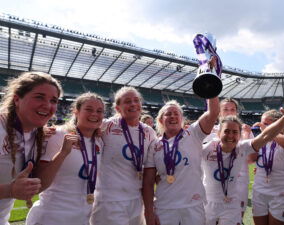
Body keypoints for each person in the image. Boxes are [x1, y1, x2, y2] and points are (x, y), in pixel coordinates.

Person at [203, 94, 284, 225]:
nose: (230, 135)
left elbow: (264, 138)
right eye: (226, 131)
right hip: (208, 199)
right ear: (218, 133)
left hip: (235, 198)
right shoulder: (205, 145)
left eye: (235, 132)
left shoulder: (242, 146)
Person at [25, 93, 105, 225]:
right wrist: (63, 153)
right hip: (51, 218)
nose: (94, 114)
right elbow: (39, 183)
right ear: (76, 112)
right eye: (89, 109)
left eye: (99, 111)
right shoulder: (57, 134)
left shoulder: (98, 142)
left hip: (82, 219)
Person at [142, 97, 219, 225]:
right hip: (165, 207)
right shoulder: (154, 145)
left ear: (182, 119)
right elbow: (148, 182)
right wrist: (149, 212)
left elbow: (213, 112)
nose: (173, 116)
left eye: (176, 114)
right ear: (161, 120)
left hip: (193, 205)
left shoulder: (193, 133)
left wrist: (211, 88)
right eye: (168, 114)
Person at [0, 72, 62, 225]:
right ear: (17, 99)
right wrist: (10, 190)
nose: (47, 105)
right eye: (39, 97)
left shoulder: (37, 133)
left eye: (53, 100)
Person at [90, 87, 157, 225]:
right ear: (117, 108)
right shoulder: (106, 126)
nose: (133, 104)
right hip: (109, 201)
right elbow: (80, 128)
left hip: (136, 200)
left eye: (136, 100)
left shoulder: (148, 131)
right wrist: (52, 130)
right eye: (127, 101)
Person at [203, 98, 256, 219]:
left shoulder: (245, 130)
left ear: (237, 112)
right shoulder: (209, 129)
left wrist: (246, 135)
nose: (229, 112)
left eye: (232, 109)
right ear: (219, 112)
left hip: (239, 181)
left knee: (236, 217)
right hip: (212, 183)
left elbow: (250, 160)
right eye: (225, 109)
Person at [252, 109, 284, 225]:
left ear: (279, 124)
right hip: (259, 191)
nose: (262, 127)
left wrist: (268, 132)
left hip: (280, 193)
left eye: (267, 124)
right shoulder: (260, 141)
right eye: (262, 123)